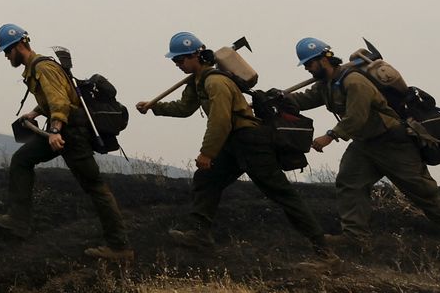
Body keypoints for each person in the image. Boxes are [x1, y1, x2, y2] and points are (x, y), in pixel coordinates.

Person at [284, 37, 440, 270]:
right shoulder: (327, 84)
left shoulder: (354, 81)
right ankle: (354, 238)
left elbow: (356, 118)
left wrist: (330, 136)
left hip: (393, 143)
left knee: (426, 196)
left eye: (309, 63)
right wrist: (279, 98)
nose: (307, 68)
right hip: (366, 145)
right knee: (350, 182)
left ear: (323, 60)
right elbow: (304, 99)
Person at [139, 31, 331, 260]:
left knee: (282, 194)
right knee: (206, 180)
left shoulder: (216, 82)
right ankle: (199, 234)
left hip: (249, 140)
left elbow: (220, 120)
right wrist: (154, 108)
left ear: (196, 56)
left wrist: (207, 153)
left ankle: (324, 252)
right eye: (175, 61)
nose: (177, 64)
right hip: (233, 142)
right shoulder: (198, 82)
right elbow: (184, 108)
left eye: (180, 60)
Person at [0, 23, 131, 261]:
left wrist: (54, 131)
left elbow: (61, 103)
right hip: (63, 129)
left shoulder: (43, 68)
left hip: (71, 134)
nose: (6, 56)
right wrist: (35, 112)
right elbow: (53, 98)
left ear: (20, 45)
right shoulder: (37, 68)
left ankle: (120, 247)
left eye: (7, 51)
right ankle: (17, 223)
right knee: (21, 160)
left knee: (95, 187)